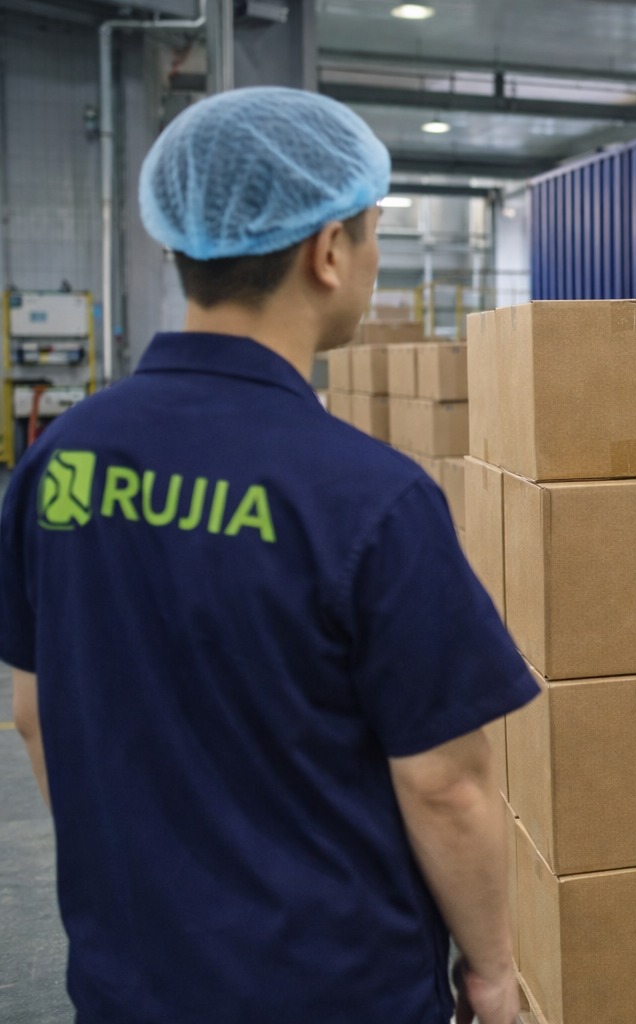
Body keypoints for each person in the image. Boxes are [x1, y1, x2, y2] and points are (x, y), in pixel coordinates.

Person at [0, 86, 539, 1023]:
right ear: (329, 251)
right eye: (373, 231)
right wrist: (491, 973)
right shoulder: (368, 496)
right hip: (335, 986)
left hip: (131, 979)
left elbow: (37, 714)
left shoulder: (61, 459)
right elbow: (445, 783)